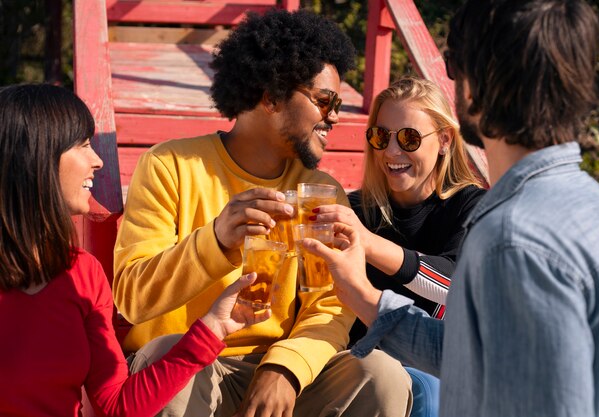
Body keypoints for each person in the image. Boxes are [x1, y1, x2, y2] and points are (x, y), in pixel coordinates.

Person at [302, 1, 599, 416]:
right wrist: (363, 295)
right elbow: (474, 354)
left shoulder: (512, 236)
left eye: (453, 64)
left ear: (474, 87)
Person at [113, 8, 411, 417]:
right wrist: (216, 239)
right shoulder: (170, 166)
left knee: (381, 374)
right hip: (194, 366)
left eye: (338, 103)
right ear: (270, 97)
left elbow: (331, 306)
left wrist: (287, 368)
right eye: (325, 101)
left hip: (283, 373)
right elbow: (131, 299)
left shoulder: (323, 192)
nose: (336, 117)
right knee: (166, 353)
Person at [0, 84, 271, 417]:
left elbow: (118, 405)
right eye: (83, 145)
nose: (97, 160)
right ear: (36, 155)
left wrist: (214, 325)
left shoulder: (83, 272)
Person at [311, 76, 485, 417]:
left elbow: (452, 286)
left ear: (445, 140)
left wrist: (366, 242)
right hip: (354, 366)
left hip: (429, 368)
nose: (391, 152)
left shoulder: (471, 207)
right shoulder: (356, 209)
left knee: (422, 389)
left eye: (409, 138)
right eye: (380, 136)